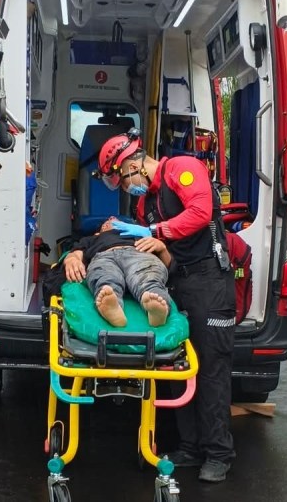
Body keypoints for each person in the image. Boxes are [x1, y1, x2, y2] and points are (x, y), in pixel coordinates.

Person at [96, 128, 236, 483]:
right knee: (176, 366)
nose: (126, 187)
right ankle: (190, 447)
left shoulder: (182, 169)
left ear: (132, 165)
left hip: (210, 283)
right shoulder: (146, 203)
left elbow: (201, 212)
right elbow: (161, 248)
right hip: (179, 281)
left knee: (211, 371)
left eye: (122, 180)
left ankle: (218, 454)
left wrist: (155, 233)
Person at [62, 217, 172, 327]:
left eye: (117, 219)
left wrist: (162, 248)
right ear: (99, 231)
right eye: (107, 221)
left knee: (148, 278)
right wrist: (72, 259)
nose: (112, 218)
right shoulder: (91, 239)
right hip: (104, 257)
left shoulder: (139, 234)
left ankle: (156, 306)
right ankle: (112, 307)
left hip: (138, 254)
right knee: (105, 279)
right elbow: (75, 253)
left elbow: (169, 266)